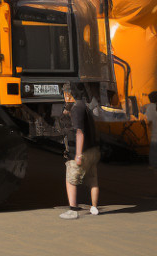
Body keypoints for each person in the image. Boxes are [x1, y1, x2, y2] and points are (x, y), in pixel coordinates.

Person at [59, 84, 100, 219]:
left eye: (65, 93)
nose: (64, 96)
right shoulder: (86, 106)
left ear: (70, 94)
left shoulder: (76, 108)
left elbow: (79, 132)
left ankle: (72, 210)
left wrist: (77, 154)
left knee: (71, 179)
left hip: (81, 151)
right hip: (93, 150)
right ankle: (94, 207)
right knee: (93, 180)